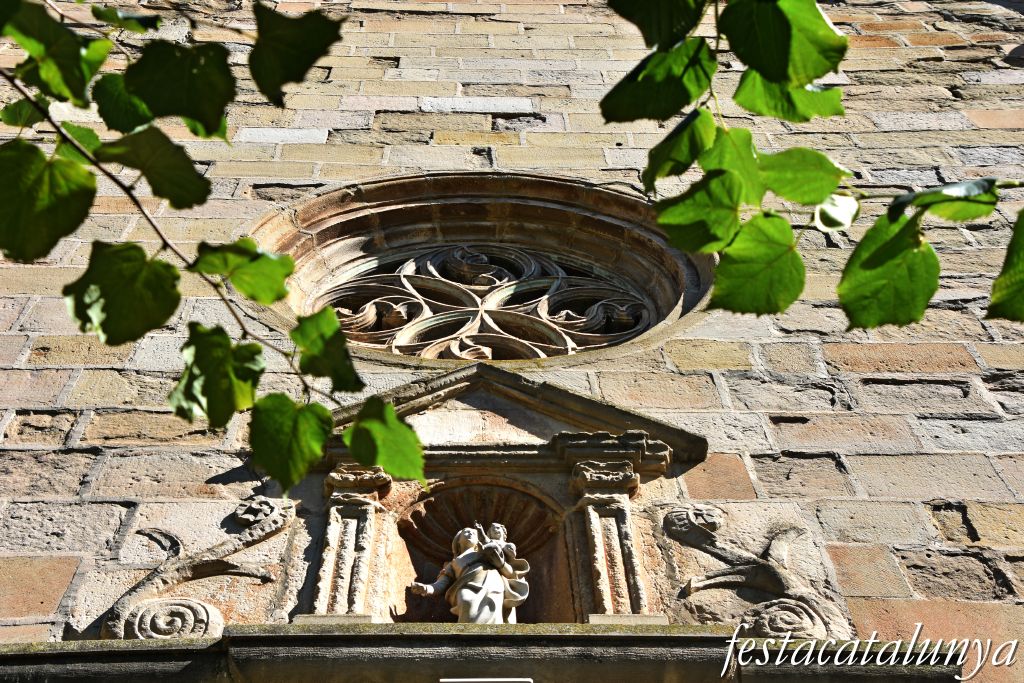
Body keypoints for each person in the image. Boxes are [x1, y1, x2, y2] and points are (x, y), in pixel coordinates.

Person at [410, 524, 529, 624]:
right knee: (466, 600)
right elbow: (441, 583)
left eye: (473, 533)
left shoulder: (484, 552)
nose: (470, 533)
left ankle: (493, 641)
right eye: (466, 532)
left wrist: (500, 563)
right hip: (465, 586)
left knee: (493, 610)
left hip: (492, 583)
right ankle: (466, 643)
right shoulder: (452, 563)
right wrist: (426, 588)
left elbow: (510, 573)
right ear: (458, 541)